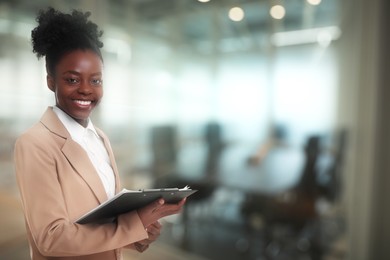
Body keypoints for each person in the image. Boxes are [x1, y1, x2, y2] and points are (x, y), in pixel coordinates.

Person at [13, 7, 186, 260]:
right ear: (51, 81)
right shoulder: (34, 143)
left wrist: (139, 234)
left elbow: (100, 223)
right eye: (72, 80)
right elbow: (51, 238)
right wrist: (133, 224)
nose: (86, 90)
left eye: (95, 80)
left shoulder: (100, 138)